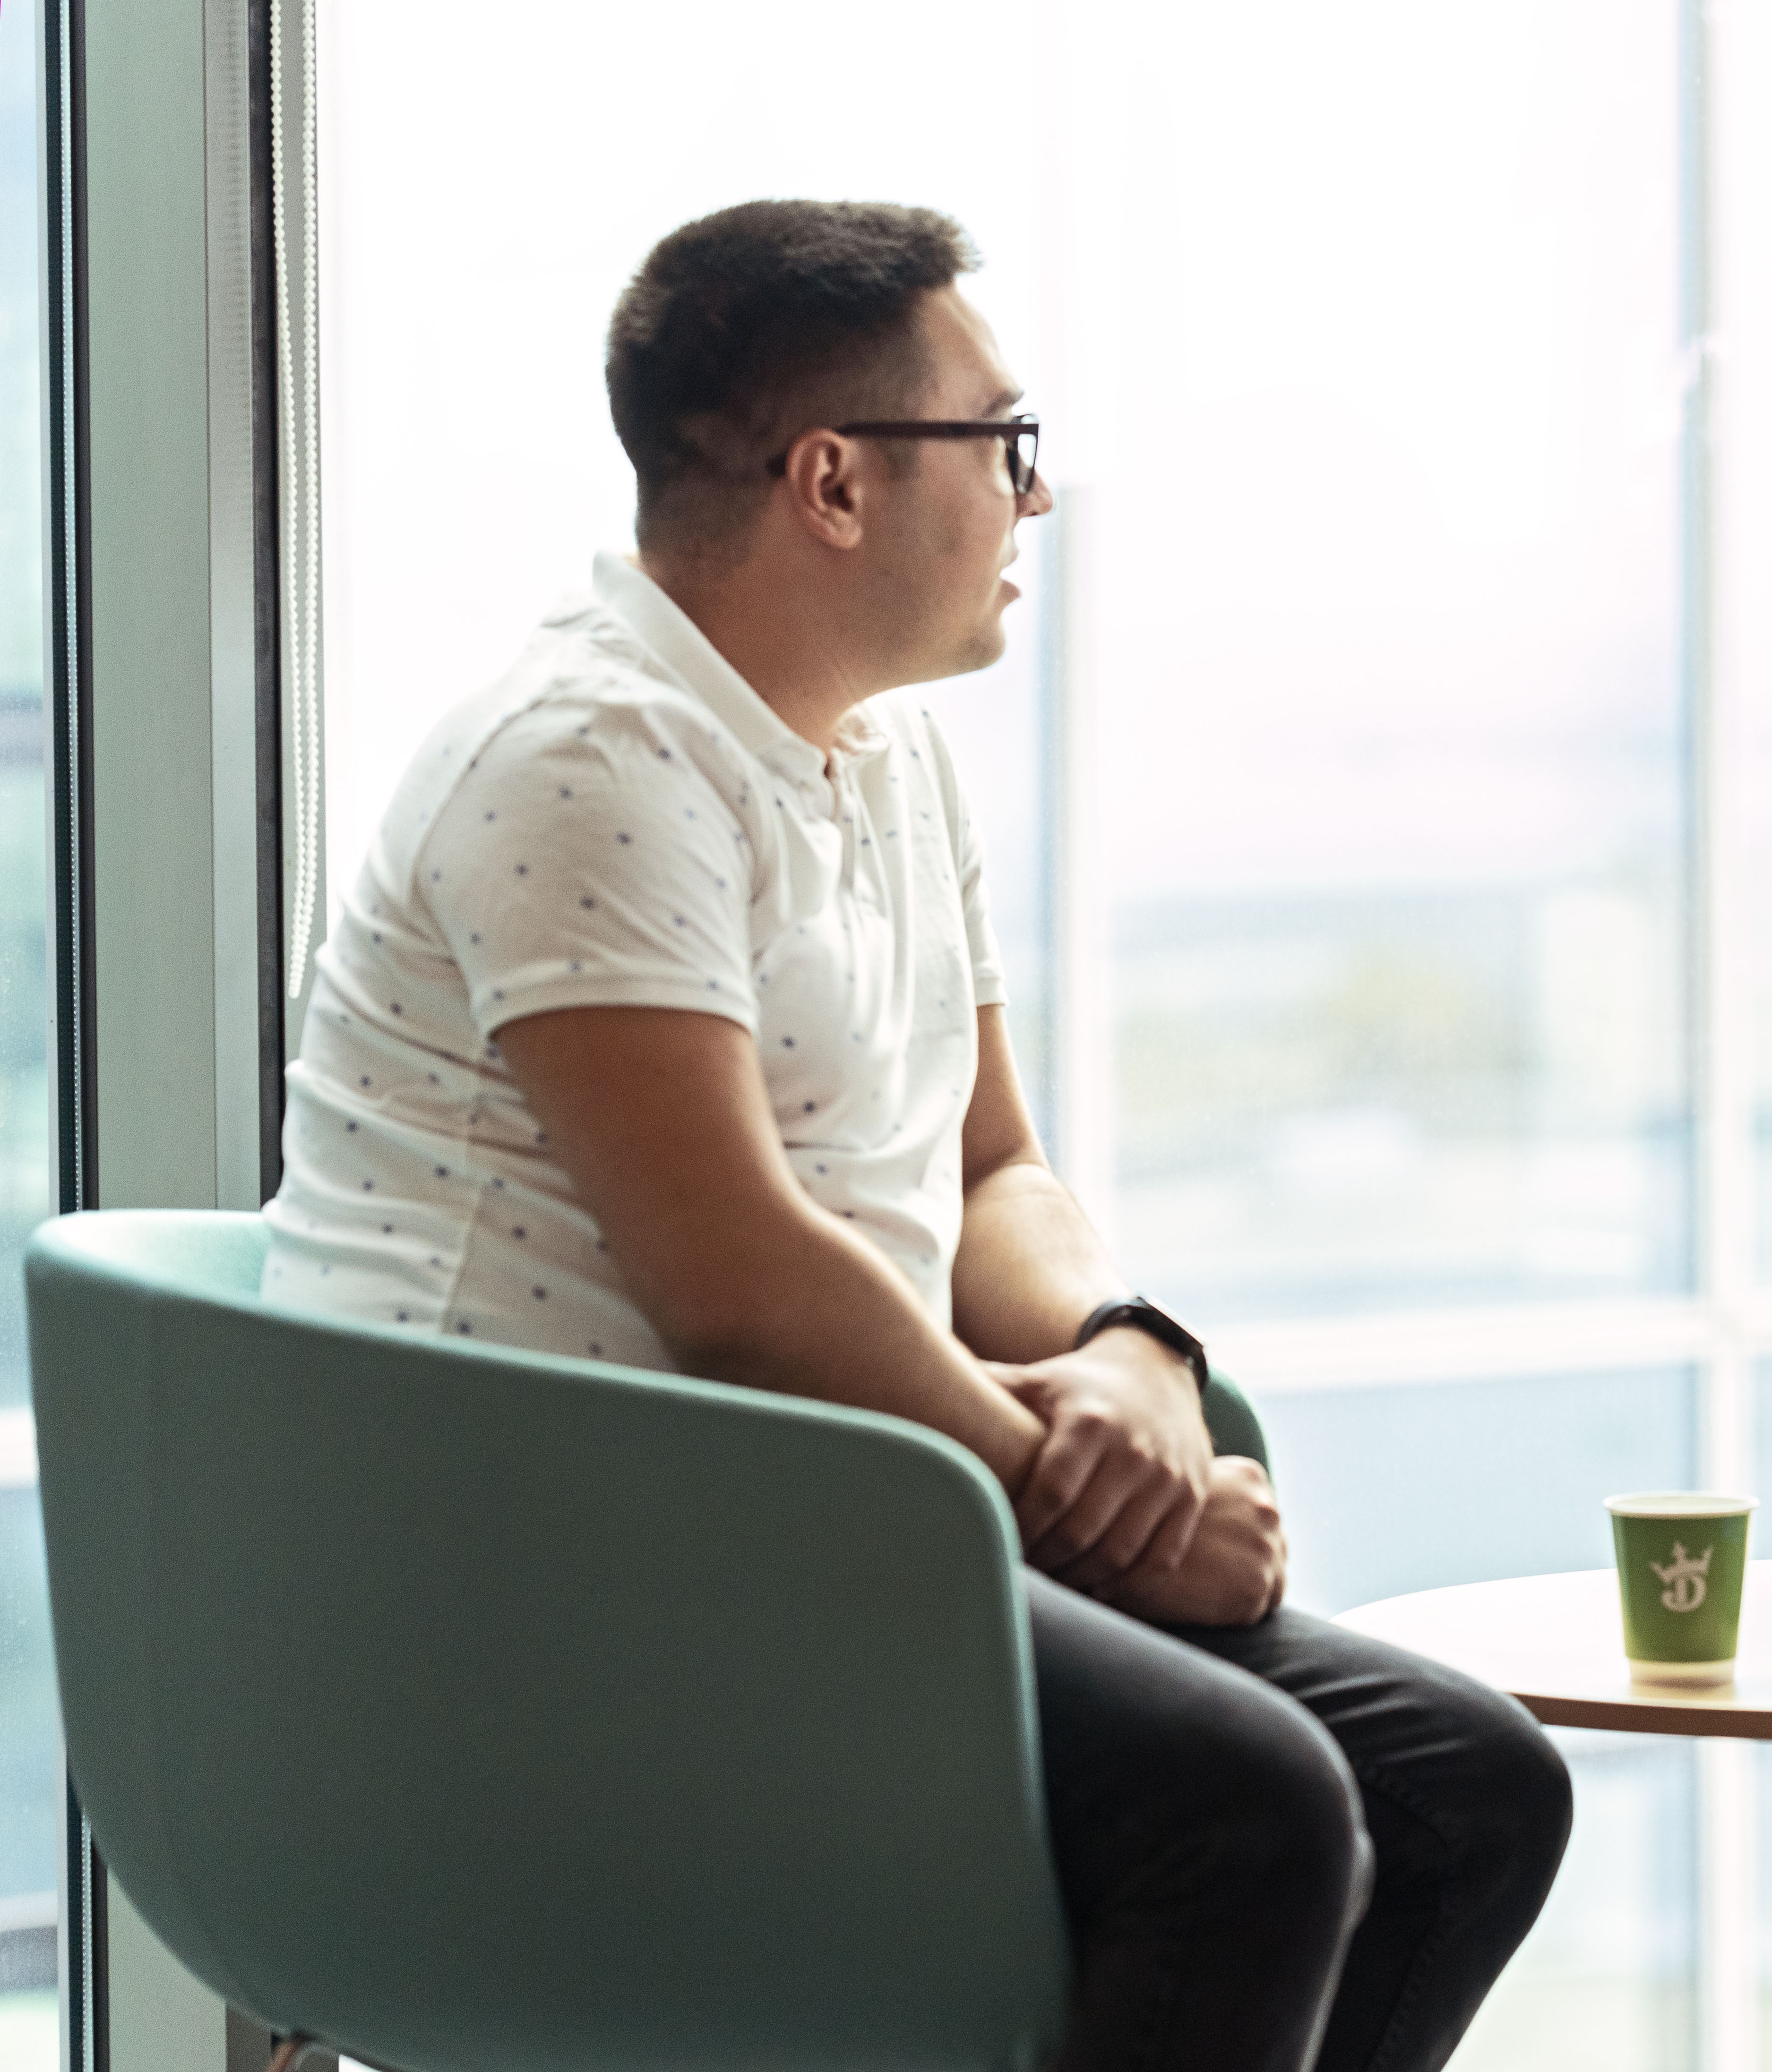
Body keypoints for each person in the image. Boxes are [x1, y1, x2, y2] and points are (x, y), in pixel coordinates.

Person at [262, 199, 1570, 2072]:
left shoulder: (884, 758)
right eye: (1004, 441)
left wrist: (1130, 1355)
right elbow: (737, 1283)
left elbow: (990, 1168)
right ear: (835, 482)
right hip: (563, 1587)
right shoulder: (583, 759)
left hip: (821, 1537)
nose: (1038, 497)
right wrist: (1082, 1498)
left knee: (1468, 1782)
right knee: (1252, 1811)